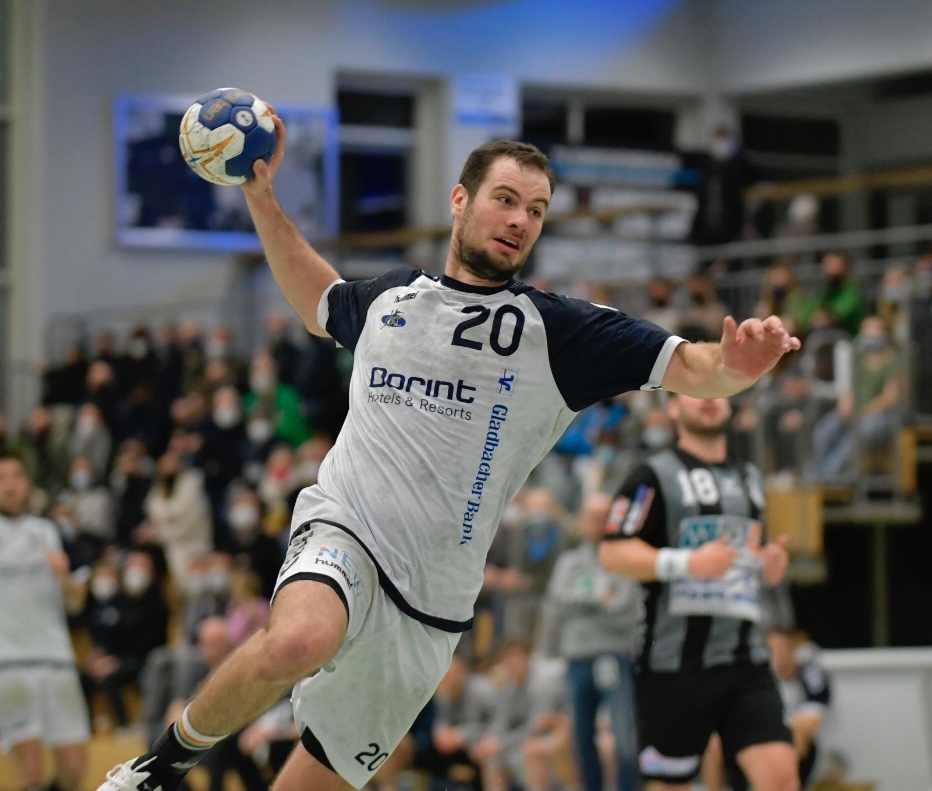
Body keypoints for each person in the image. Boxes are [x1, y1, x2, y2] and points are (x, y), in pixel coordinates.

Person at [96, 122, 799, 791]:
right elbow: (318, 297)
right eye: (506, 199)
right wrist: (260, 196)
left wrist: (737, 365)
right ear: (460, 200)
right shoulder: (392, 298)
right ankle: (156, 768)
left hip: (432, 604)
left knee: (320, 773)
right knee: (298, 639)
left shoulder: (559, 333)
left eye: (536, 210)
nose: (520, 220)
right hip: (349, 528)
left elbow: (698, 369)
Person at [600, 393, 796, 791]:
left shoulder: (749, 477)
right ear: (672, 407)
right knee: (670, 784)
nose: (709, 398)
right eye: (697, 390)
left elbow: (745, 557)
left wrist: (769, 563)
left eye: (718, 389)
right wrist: (686, 563)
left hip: (745, 659)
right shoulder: (651, 475)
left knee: (780, 778)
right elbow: (612, 552)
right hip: (673, 665)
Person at [0, 450, 90, 791]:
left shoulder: (49, 531)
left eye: (16, 476)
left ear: (27, 484)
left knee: (75, 769)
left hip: (57, 659)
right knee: (31, 767)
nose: (10, 485)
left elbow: (77, 603)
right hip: (10, 664)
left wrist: (65, 579)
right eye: (1, 478)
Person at [545, 490, 641, 791]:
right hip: (577, 659)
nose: (597, 523)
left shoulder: (624, 558)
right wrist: (601, 595)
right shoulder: (569, 562)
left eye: (603, 517)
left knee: (624, 735)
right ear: (582, 520)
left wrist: (582, 595)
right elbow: (558, 602)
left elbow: (625, 609)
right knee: (581, 736)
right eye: (592, 517)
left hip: (616, 656)